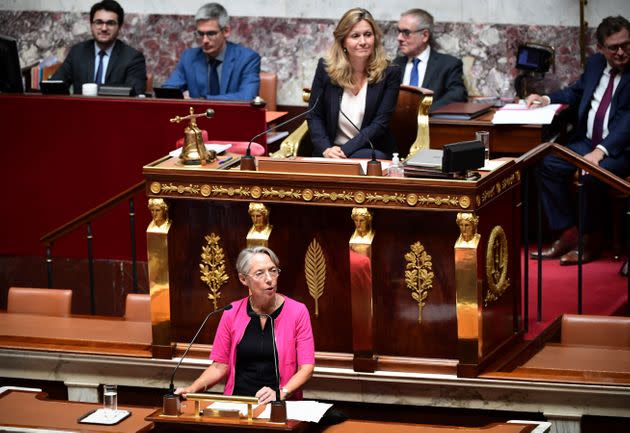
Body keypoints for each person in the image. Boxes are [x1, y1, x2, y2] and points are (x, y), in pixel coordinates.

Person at [526, 16, 630, 265]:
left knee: (591, 173)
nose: (621, 52)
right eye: (613, 47)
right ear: (601, 49)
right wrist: (546, 99)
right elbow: (576, 90)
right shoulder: (596, 64)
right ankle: (567, 233)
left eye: (626, 44)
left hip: (621, 150)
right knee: (547, 164)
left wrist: (601, 151)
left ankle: (590, 239)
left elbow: (628, 120)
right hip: (587, 142)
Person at [176, 247, 315, 404]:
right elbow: (219, 367)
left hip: (279, 404)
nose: (269, 279)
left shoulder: (297, 311)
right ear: (243, 279)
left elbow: (307, 368)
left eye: (273, 270)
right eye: (260, 273)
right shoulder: (231, 312)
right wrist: (192, 389)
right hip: (239, 404)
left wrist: (281, 392)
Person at [307, 8, 402, 159]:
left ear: (375, 38)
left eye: (368, 35)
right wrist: (326, 149)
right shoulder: (326, 68)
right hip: (330, 150)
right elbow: (314, 115)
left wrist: (343, 151)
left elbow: (380, 123)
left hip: (370, 150)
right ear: (343, 41)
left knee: (366, 157)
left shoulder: (389, 72)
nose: (363, 42)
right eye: (355, 36)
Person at [163, 2, 260, 100]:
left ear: (226, 31)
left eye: (211, 33)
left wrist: (203, 100)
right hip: (197, 115)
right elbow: (168, 90)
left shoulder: (247, 58)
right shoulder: (189, 57)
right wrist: (181, 97)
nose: (204, 40)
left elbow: (247, 97)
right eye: (200, 34)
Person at [51, 0, 146, 95]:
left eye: (110, 23)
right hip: (81, 109)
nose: (104, 28)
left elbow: (135, 95)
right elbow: (54, 86)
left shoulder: (133, 58)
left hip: (115, 109)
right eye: (99, 22)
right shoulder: (78, 52)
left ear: (119, 27)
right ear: (91, 25)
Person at [392, 8, 467, 111]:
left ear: (425, 35)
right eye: (399, 31)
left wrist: (423, 112)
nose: (399, 38)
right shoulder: (395, 65)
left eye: (406, 32)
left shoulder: (448, 65)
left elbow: (458, 95)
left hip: (432, 124)